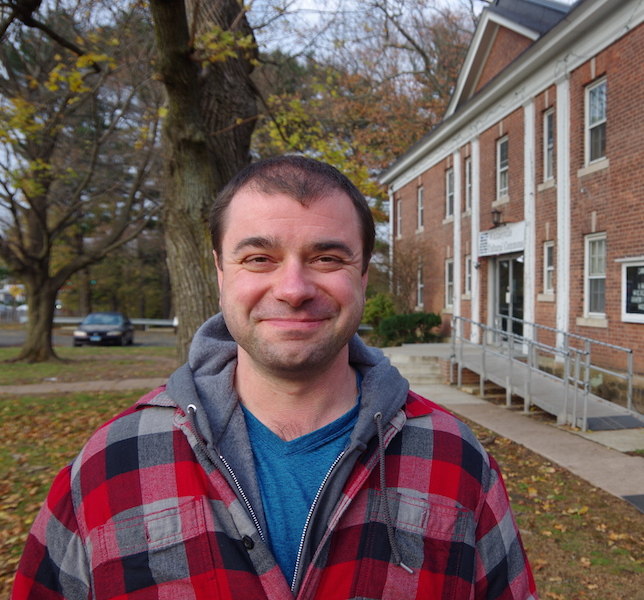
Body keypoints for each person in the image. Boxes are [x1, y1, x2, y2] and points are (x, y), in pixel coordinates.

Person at [13, 156, 537, 600]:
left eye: (326, 257)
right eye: (259, 258)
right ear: (221, 272)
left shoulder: (455, 459)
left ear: (362, 274)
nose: (292, 288)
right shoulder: (110, 465)